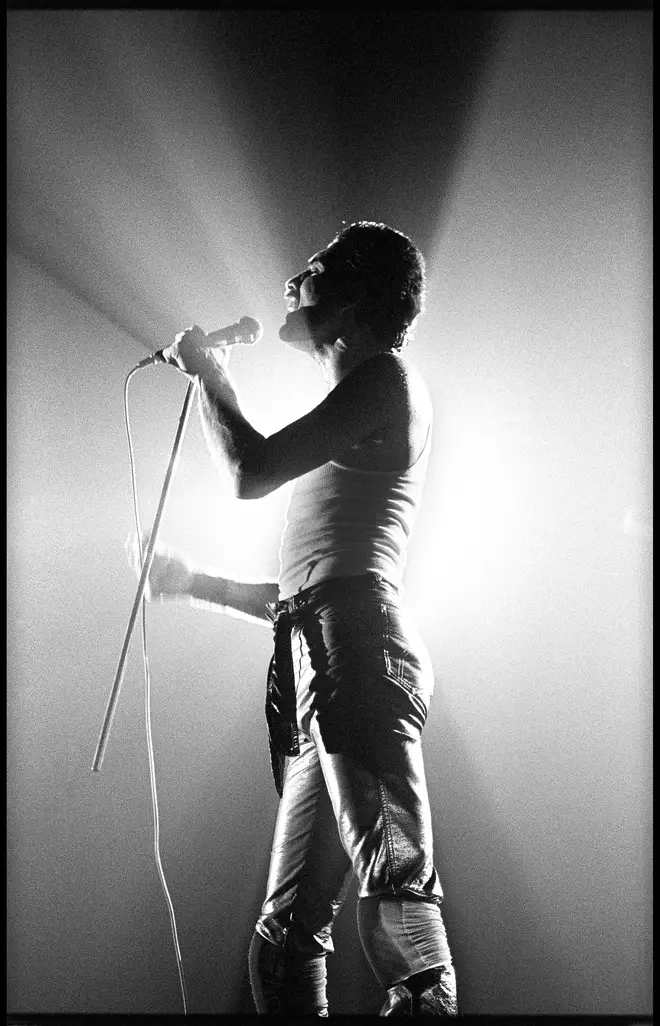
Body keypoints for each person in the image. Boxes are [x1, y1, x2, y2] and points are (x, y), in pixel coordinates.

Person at [130, 221, 458, 1016]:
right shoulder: (356, 409)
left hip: (359, 650)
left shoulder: (387, 380)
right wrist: (192, 581)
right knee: (282, 943)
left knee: (397, 901)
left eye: (310, 271)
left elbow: (249, 470)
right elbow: (303, 596)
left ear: (350, 300)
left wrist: (211, 375)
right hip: (328, 652)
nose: (289, 285)